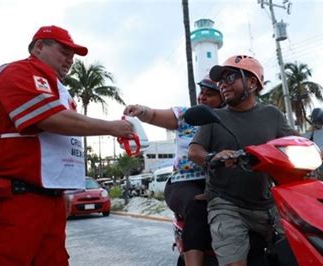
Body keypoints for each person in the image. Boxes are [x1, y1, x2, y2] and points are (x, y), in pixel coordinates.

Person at [0, 25, 134, 266]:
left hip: (48, 199)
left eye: (72, 55)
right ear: (39, 47)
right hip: (13, 199)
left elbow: (59, 146)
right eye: (64, 51)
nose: (70, 59)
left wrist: (63, 189)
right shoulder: (18, 72)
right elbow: (49, 119)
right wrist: (111, 127)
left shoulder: (61, 91)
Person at [188, 55, 299, 266]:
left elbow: (293, 141)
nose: (222, 85)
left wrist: (315, 150)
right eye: (220, 81)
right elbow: (194, 151)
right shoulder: (214, 117)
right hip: (227, 204)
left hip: (268, 203)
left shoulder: (272, 115)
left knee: (302, 251)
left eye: (229, 77)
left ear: (252, 82)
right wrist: (213, 156)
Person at [124, 77, 224, 266]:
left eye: (209, 94)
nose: (202, 97)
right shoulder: (187, 115)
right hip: (184, 182)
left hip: (221, 182)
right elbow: (153, 115)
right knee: (197, 207)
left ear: (223, 98)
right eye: (201, 92)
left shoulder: (230, 118)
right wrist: (141, 110)